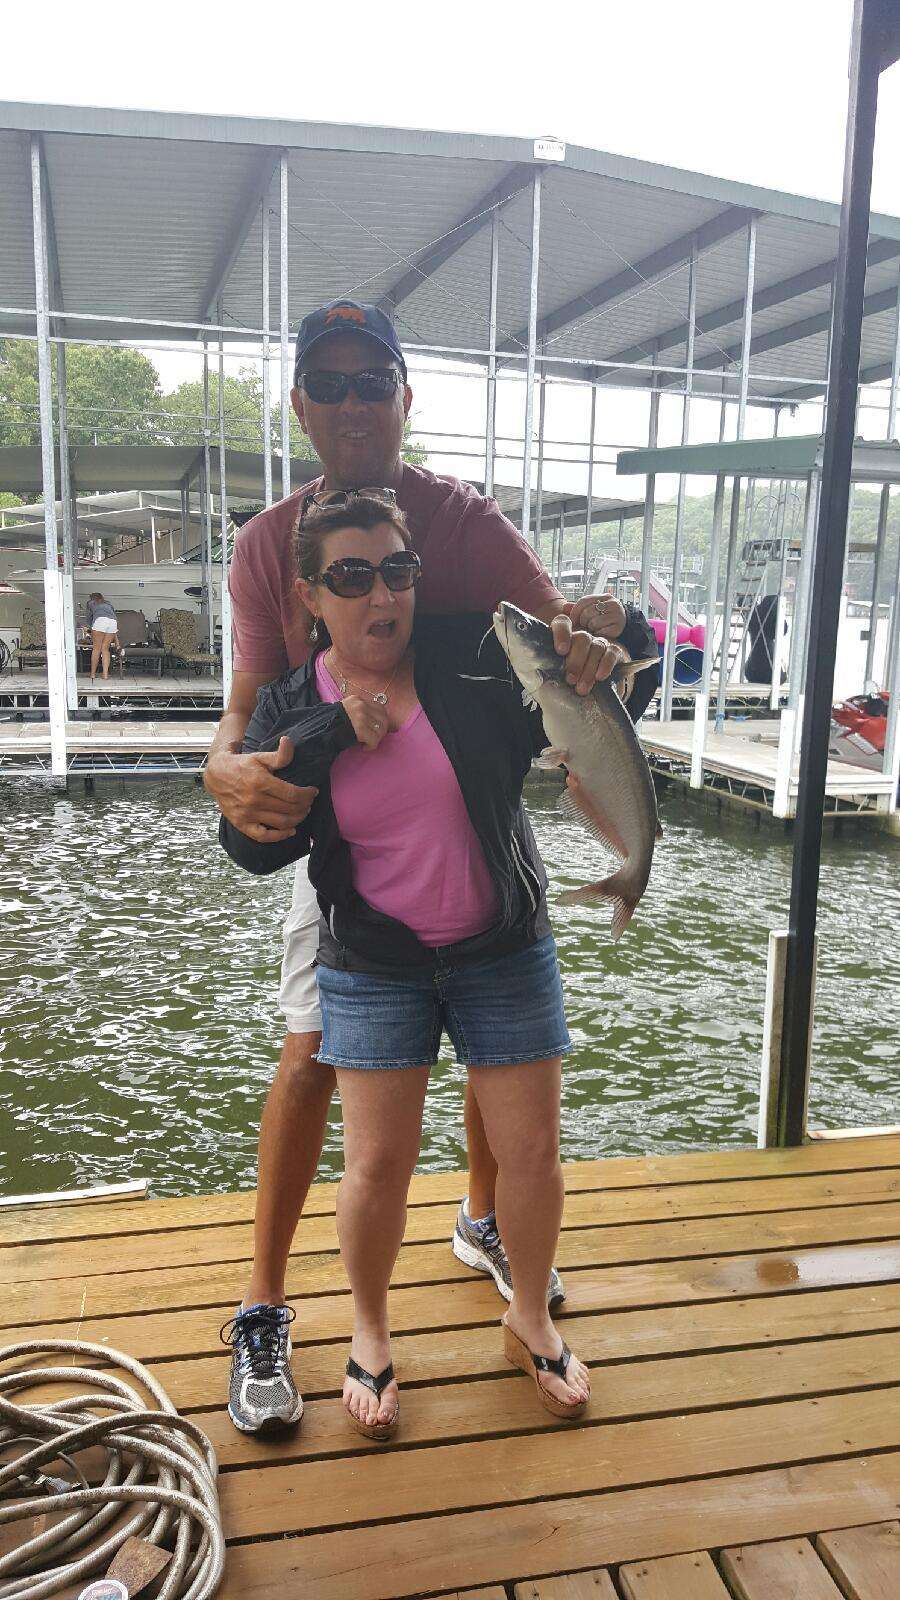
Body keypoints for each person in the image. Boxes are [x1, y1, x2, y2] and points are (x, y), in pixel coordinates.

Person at [205, 298, 657, 1437]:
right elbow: (246, 716)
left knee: (501, 1036)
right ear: (301, 405)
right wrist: (226, 772)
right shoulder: (265, 546)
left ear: (406, 398)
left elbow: (567, 650)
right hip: (344, 841)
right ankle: (265, 1302)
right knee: (313, 1057)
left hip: (475, 820)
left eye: (375, 382)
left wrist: (613, 631)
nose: (354, 402)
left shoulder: (467, 521)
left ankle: (487, 1226)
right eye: (330, 384)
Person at [85, 592, 119, 681]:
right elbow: (113, 615)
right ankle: (105, 675)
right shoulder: (108, 603)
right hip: (113, 622)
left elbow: (88, 618)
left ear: (92, 598)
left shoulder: (91, 603)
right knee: (105, 649)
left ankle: (92, 674)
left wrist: (91, 627)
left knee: (96, 649)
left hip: (100, 620)